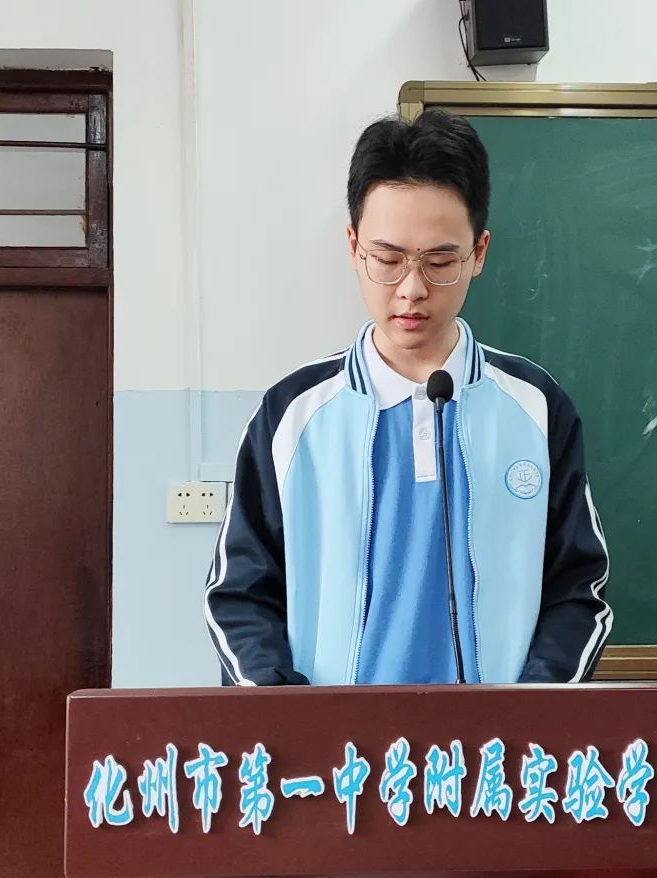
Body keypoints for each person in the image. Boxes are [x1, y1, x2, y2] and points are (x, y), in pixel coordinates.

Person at [204, 108, 611, 686]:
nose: (412, 288)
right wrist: (286, 714)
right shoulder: (292, 414)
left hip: (496, 740)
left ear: (479, 252)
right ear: (353, 247)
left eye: (440, 261)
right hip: (331, 741)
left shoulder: (536, 407)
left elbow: (577, 591)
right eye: (388, 259)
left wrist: (530, 710)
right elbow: (240, 595)